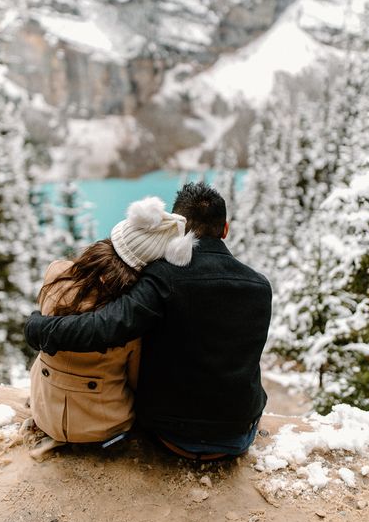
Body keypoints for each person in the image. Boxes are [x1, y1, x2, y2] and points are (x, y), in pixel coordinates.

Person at [25, 182, 272, 460]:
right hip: (238, 434)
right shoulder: (260, 286)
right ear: (225, 230)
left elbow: (104, 327)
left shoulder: (163, 278)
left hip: (172, 436)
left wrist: (38, 327)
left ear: (177, 229)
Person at [28, 196, 195, 458]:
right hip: (102, 427)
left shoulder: (55, 273)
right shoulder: (130, 318)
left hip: (45, 414)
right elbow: (136, 380)